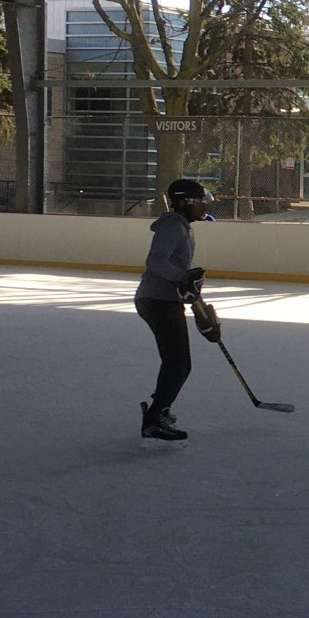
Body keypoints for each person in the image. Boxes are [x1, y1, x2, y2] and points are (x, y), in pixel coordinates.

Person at [134, 178, 219, 442]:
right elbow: (156, 260)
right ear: (185, 202)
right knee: (179, 363)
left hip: (161, 300)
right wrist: (182, 278)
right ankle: (155, 418)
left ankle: (160, 410)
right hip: (158, 301)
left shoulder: (181, 226)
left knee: (176, 361)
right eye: (200, 200)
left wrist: (189, 289)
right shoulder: (173, 226)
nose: (204, 205)